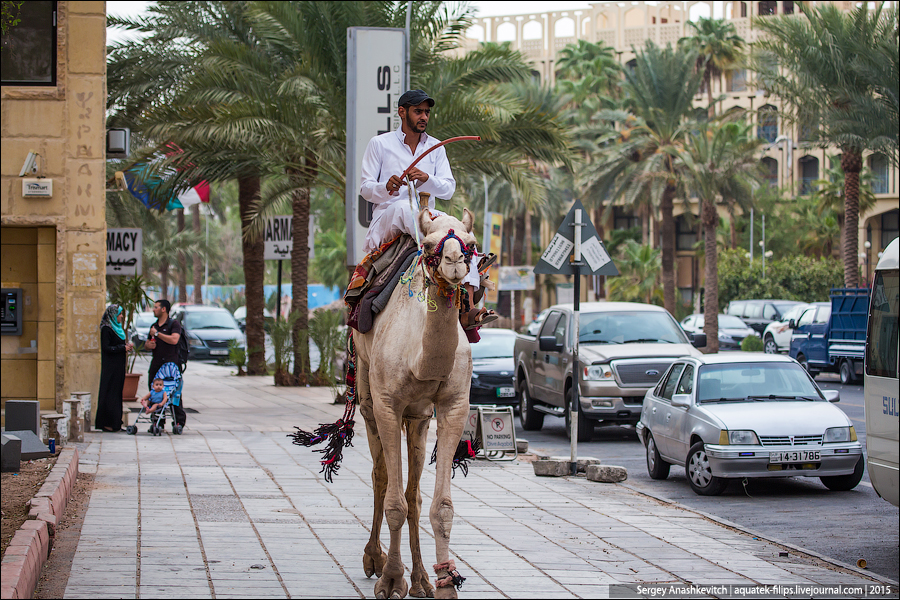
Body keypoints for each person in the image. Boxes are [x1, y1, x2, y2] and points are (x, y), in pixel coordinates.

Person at [359, 89, 497, 331]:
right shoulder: (379, 144)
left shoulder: (435, 147)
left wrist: (425, 179)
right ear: (402, 112)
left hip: (429, 219)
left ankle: (468, 304)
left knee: (459, 230)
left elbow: (448, 189)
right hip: (388, 218)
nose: (424, 116)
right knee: (404, 207)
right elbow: (366, 188)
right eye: (418, 111)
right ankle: (435, 254)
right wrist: (386, 187)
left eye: (426, 112)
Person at [144, 299, 187, 428]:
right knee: (155, 393)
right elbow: (147, 343)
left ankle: (178, 421)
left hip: (171, 366)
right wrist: (148, 345)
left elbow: (174, 340)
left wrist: (157, 334)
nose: (153, 309)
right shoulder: (154, 326)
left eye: (156, 307)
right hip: (157, 363)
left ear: (164, 309)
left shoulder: (173, 324)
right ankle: (158, 422)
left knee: (174, 393)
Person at [95, 304, 134, 432]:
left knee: (116, 394)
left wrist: (126, 347)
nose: (121, 317)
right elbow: (106, 348)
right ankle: (106, 423)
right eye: (119, 314)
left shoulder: (118, 329)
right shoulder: (106, 329)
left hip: (118, 367)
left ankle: (116, 423)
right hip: (110, 368)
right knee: (109, 393)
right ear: (113, 315)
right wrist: (122, 348)